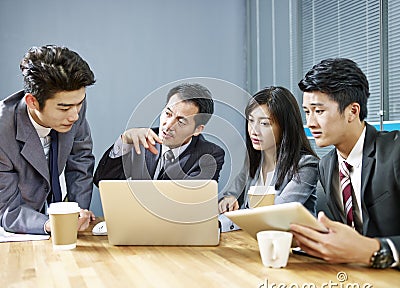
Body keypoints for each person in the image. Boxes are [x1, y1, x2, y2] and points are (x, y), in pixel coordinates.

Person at [292, 58, 400, 269]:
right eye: (307, 112)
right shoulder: (327, 165)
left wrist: (373, 249)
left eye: (319, 111)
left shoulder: (395, 152)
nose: (311, 123)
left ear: (352, 111)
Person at [0, 45, 96, 234]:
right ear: (32, 102)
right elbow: (6, 209)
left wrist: (76, 213)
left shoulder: (73, 106)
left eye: (79, 104)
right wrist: (50, 224)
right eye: (64, 108)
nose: (75, 116)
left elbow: (81, 159)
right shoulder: (2, 132)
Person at [218, 86, 319, 232]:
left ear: (285, 126)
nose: (254, 131)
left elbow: (273, 215)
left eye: (264, 123)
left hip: (294, 247)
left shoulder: (306, 165)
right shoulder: (253, 163)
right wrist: (227, 201)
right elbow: (231, 195)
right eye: (251, 121)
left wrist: (222, 223)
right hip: (258, 241)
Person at [94, 83, 225, 185]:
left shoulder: (210, 155)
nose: (167, 126)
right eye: (167, 114)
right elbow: (101, 180)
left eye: (181, 121)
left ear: (197, 129)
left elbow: (189, 200)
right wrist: (124, 141)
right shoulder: (141, 140)